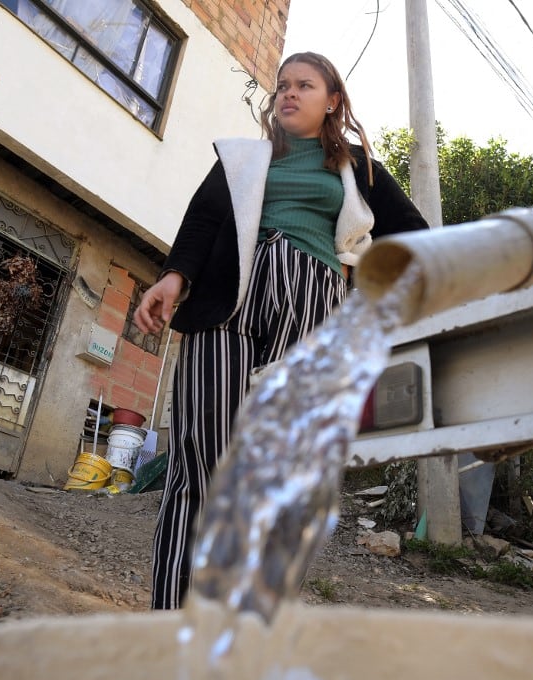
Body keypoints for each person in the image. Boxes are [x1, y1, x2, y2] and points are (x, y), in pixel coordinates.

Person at [134, 51, 429, 610]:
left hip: (311, 303)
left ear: (332, 101)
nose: (289, 93)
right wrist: (173, 277)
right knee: (202, 458)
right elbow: (202, 220)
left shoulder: (359, 168)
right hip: (229, 295)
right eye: (283, 85)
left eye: (304, 85)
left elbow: (414, 235)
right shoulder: (244, 158)